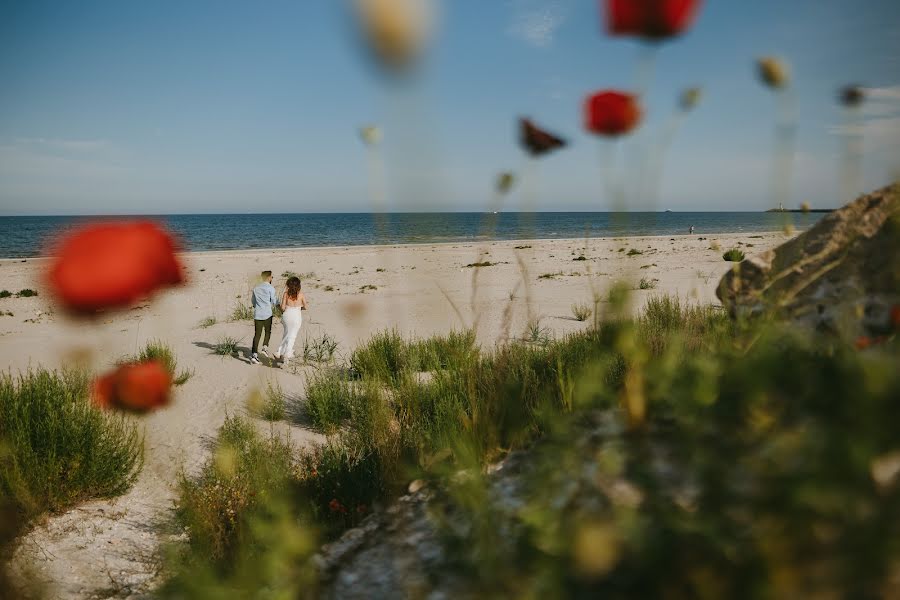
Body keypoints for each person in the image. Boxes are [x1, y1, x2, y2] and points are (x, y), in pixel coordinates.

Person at [274, 276, 307, 361]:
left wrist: (278, 306)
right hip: (296, 316)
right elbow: (306, 307)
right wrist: (300, 308)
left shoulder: (286, 294)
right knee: (292, 336)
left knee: (286, 334)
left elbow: (283, 308)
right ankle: (287, 354)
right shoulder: (301, 294)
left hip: (287, 315)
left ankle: (280, 352)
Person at [250, 270, 279, 365]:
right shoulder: (271, 288)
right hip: (267, 313)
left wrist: (257, 306)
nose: (272, 278)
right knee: (267, 331)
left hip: (258, 314)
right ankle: (265, 348)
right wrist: (282, 309)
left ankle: (254, 355)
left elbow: (253, 301)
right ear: (268, 277)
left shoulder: (256, 288)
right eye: (271, 277)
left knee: (257, 334)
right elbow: (275, 301)